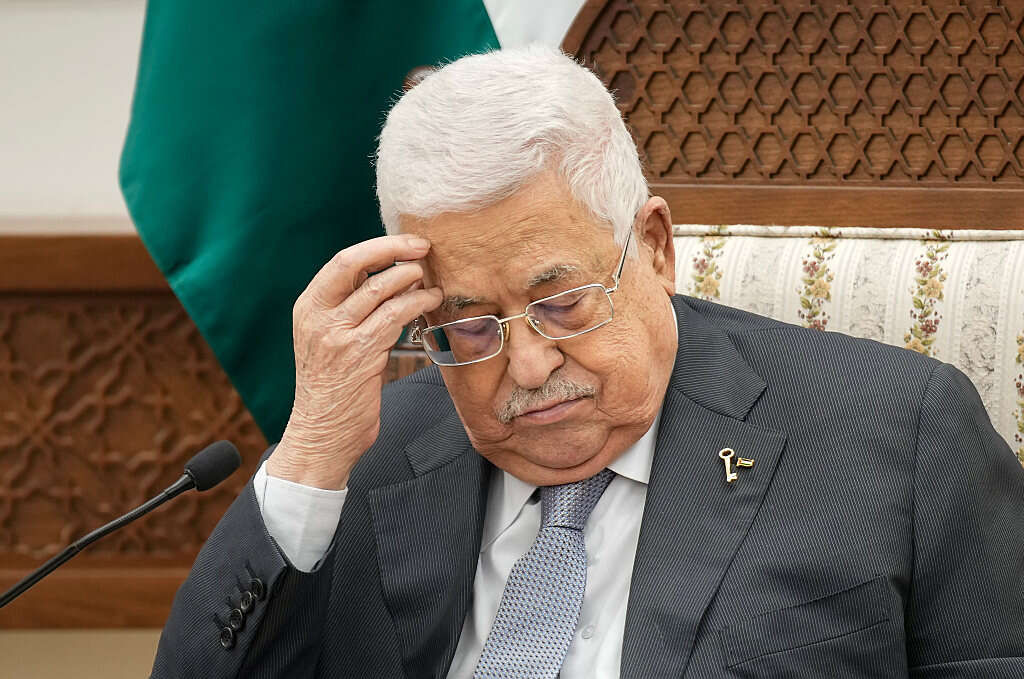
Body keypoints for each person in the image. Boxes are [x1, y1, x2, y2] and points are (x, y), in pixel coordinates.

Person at [151, 46, 1024, 678]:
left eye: (562, 303)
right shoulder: (364, 459)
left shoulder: (899, 435)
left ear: (655, 247)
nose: (528, 366)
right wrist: (308, 454)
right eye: (471, 326)